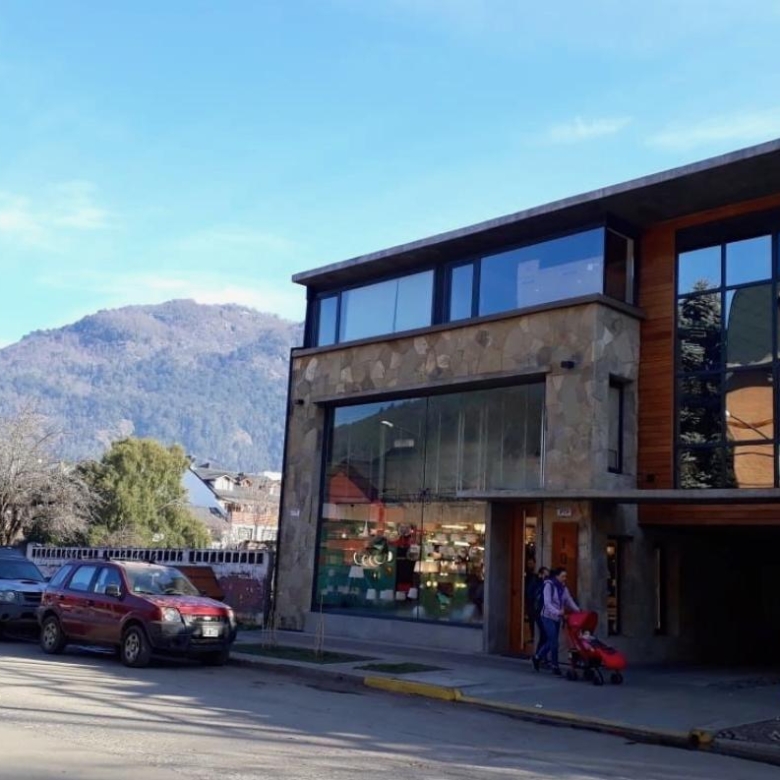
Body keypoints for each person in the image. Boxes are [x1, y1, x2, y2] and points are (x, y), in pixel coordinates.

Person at [532, 567, 579, 675]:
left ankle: (537, 657)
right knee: (554, 641)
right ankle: (555, 666)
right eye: (563, 576)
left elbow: (569, 600)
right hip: (547, 617)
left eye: (565, 576)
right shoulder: (548, 586)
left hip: (557, 618)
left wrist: (578, 610)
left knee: (552, 641)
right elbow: (547, 603)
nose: (564, 578)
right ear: (557, 576)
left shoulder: (563, 588)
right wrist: (558, 612)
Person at [526, 566, 550, 660]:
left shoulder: (543, 584)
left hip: (541, 612)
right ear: (540, 574)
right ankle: (539, 656)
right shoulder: (536, 583)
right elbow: (531, 596)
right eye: (545, 575)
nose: (546, 578)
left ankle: (539, 656)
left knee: (544, 635)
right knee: (544, 634)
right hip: (537, 612)